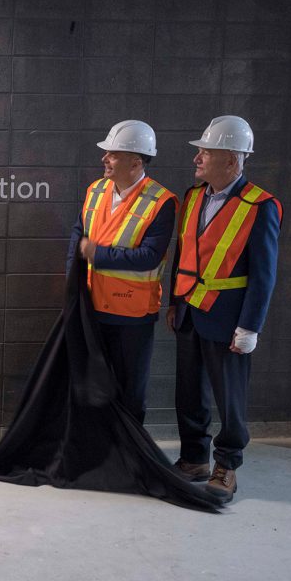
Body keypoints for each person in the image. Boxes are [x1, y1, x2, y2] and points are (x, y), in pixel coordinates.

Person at [167, 115, 282, 503]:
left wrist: (250, 326)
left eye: (206, 151)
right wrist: (174, 302)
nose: (197, 157)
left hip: (229, 319)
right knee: (189, 393)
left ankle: (227, 464)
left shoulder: (261, 206)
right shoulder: (194, 196)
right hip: (189, 313)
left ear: (231, 161)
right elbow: (183, 253)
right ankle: (195, 457)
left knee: (229, 398)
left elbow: (264, 275)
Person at [67, 120, 177, 424]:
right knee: (94, 387)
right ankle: (98, 452)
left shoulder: (160, 202)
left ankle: (130, 458)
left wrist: (98, 254)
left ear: (136, 162)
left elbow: (148, 257)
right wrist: (71, 290)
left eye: (113, 154)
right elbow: (78, 238)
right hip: (92, 306)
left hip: (132, 313)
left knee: (130, 391)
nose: (104, 159)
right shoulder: (96, 190)